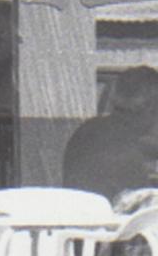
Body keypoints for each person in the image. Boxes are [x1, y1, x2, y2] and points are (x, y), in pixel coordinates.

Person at [64, 68, 158, 205]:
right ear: (152, 106)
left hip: (77, 219)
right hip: (110, 222)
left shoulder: (88, 129)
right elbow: (144, 213)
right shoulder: (126, 151)